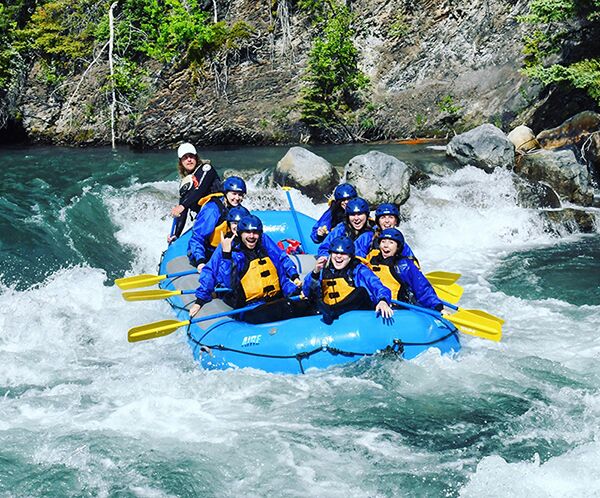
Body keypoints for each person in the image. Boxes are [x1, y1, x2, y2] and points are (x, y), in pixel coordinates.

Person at [189, 215, 313, 324]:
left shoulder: (264, 247)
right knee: (286, 306)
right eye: (247, 232)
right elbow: (228, 283)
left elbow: (282, 272)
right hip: (250, 308)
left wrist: (295, 287)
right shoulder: (235, 254)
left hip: (276, 300)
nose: (252, 236)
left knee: (309, 303)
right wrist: (200, 301)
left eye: (255, 233)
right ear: (240, 233)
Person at [303, 235, 394, 325]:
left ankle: (333, 311)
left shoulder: (359, 269)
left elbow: (377, 286)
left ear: (350, 256)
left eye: (343, 253)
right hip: (328, 310)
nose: (338, 256)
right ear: (330, 254)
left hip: (358, 312)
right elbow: (307, 293)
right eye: (335, 253)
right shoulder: (322, 270)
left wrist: (383, 300)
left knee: (361, 292)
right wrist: (315, 273)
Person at [368, 228, 443, 311]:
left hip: (397, 308)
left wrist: (437, 306)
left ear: (398, 247)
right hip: (374, 305)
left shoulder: (404, 265)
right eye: (383, 242)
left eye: (391, 243)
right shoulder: (371, 260)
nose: (386, 245)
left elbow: (421, 287)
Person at [187, 175, 246, 272]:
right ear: (226, 193)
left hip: (224, 251)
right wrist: (200, 261)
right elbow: (197, 237)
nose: (237, 198)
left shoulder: (238, 210)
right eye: (234, 194)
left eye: (240, 195)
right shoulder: (212, 210)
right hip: (207, 254)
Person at [169, 143, 221, 242]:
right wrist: (176, 235)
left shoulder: (206, 169)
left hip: (217, 213)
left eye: (191, 156)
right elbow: (183, 212)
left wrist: (182, 206)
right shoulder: (186, 182)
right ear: (181, 162)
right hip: (203, 219)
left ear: (196, 158)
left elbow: (200, 189)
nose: (189, 160)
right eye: (185, 157)